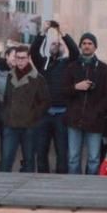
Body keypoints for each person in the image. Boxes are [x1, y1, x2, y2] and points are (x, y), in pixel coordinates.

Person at [63, 32, 107, 175]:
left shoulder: (105, 69)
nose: (86, 46)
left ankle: (90, 187)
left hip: (95, 121)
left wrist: (97, 112)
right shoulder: (71, 67)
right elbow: (63, 91)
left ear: (95, 47)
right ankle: (74, 188)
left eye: (90, 43)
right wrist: (76, 87)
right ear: (80, 46)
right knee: (73, 158)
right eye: (84, 43)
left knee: (93, 158)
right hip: (74, 120)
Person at [30, 22, 79, 174]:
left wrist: (62, 33)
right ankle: (42, 180)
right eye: (53, 43)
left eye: (59, 44)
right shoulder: (43, 63)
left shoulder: (68, 64)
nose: (56, 45)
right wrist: (43, 32)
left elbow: (75, 52)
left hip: (62, 114)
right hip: (44, 115)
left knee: (62, 151)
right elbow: (33, 51)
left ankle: (61, 180)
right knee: (41, 151)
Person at [0, 45, 50, 172]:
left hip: (29, 126)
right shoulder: (10, 76)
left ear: (28, 59)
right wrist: (6, 115)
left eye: (23, 58)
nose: (20, 61)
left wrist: (33, 115)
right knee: (6, 159)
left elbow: (45, 102)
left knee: (29, 160)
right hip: (10, 125)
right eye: (18, 58)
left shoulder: (38, 78)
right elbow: (6, 98)